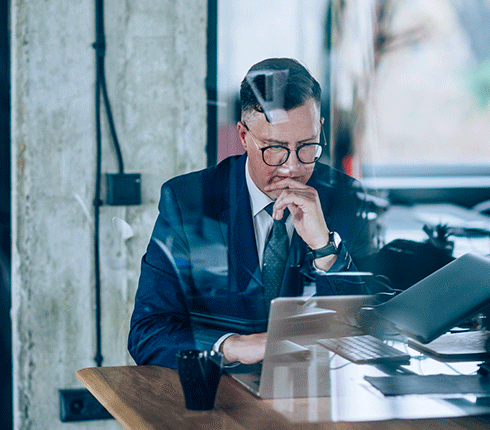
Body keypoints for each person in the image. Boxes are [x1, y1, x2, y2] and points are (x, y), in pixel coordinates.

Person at [128, 58, 378, 368]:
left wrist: (325, 248)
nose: (292, 167)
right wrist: (231, 346)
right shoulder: (187, 202)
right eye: (275, 148)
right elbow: (147, 332)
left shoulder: (348, 200)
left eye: (307, 146)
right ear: (244, 136)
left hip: (318, 384)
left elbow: (368, 328)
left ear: (320, 128)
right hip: (222, 389)